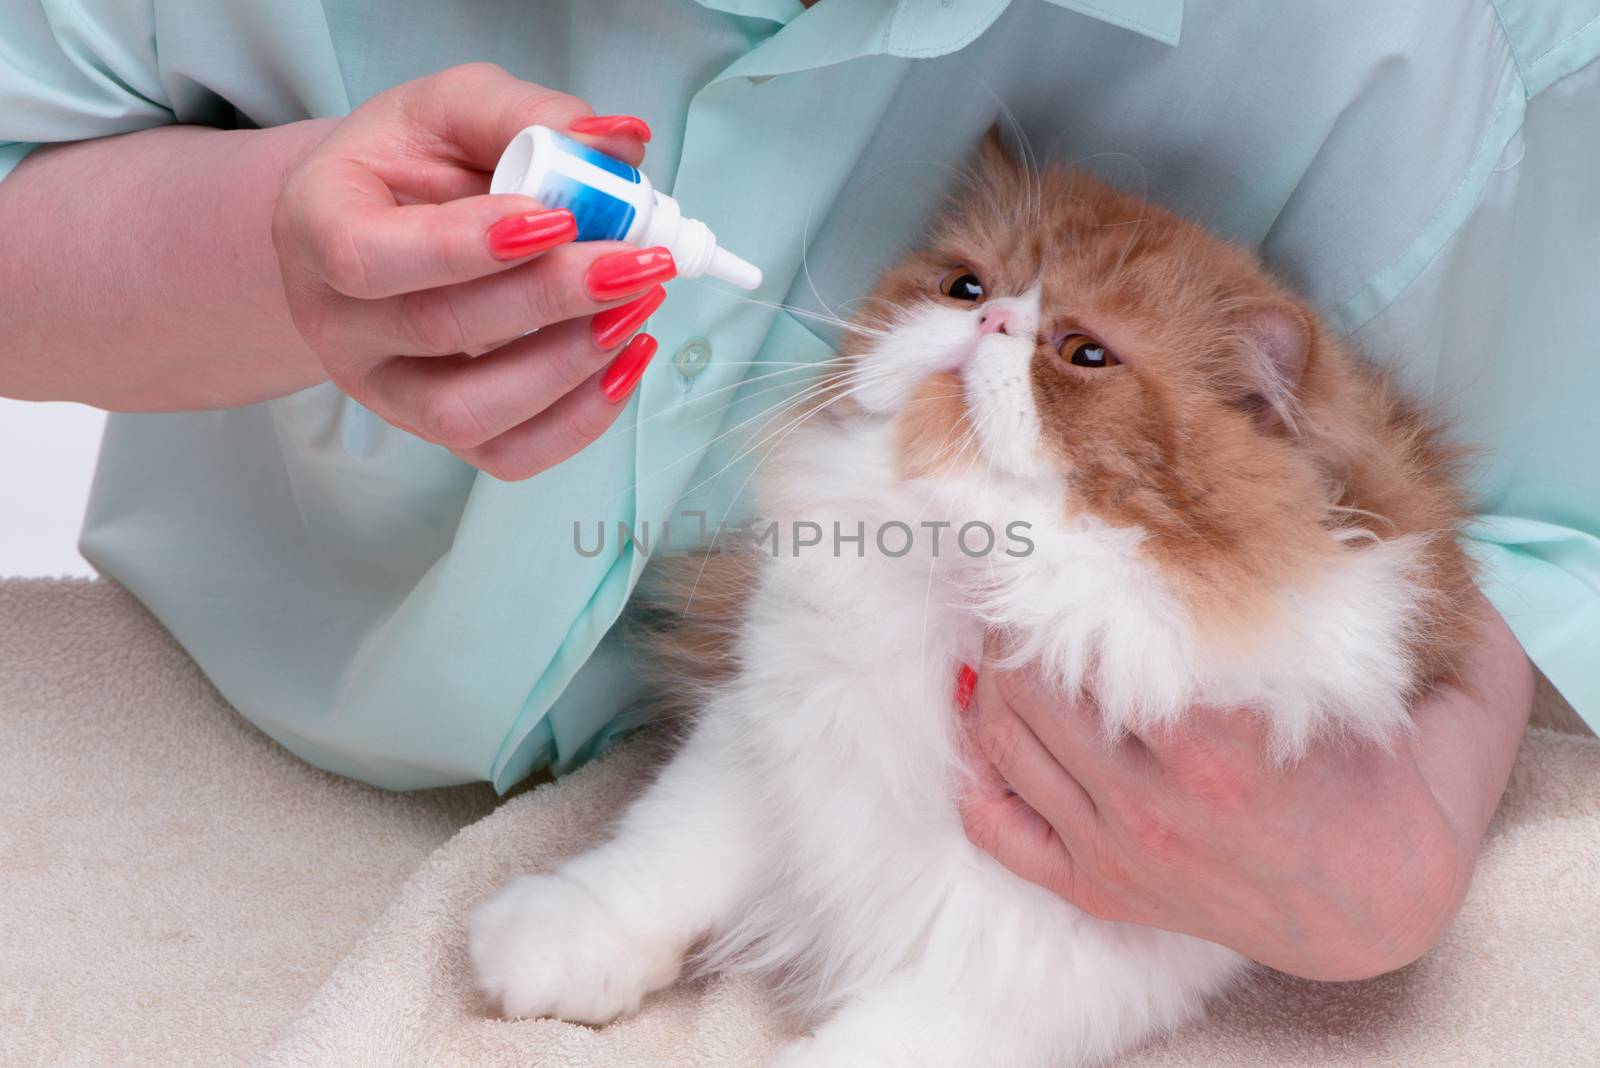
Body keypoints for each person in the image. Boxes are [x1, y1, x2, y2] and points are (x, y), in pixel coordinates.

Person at [1, 0, 1594, 983]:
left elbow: (1531, 531)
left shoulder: (1470, 45)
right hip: (232, 727)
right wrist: (272, 252)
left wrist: (1400, 856)